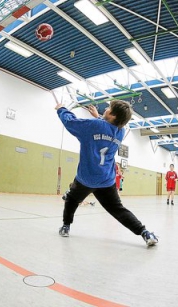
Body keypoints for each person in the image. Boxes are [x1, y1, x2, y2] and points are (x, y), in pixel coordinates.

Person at [55, 100, 158, 246]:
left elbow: (71, 122)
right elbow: (104, 129)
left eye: (109, 108)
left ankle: (66, 226)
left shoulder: (94, 126)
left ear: (113, 115)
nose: (106, 109)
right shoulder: (120, 131)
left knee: (71, 199)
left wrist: (61, 109)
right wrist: (98, 117)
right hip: (107, 180)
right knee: (118, 209)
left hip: (87, 178)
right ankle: (145, 233)